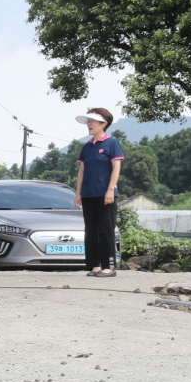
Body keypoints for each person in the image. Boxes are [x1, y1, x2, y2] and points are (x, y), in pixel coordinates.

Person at [74, 108, 123, 277]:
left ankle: (108, 267)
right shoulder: (87, 147)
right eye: (88, 121)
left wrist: (110, 190)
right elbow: (82, 171)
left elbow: (116, 167)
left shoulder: (112, 144)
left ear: (103, 124)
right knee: (91, 230)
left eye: (92, 121)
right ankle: (95, 266)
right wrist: (78, 193)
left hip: (105, 195)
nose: (89, 124)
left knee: (105, 230)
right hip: (88, 194)